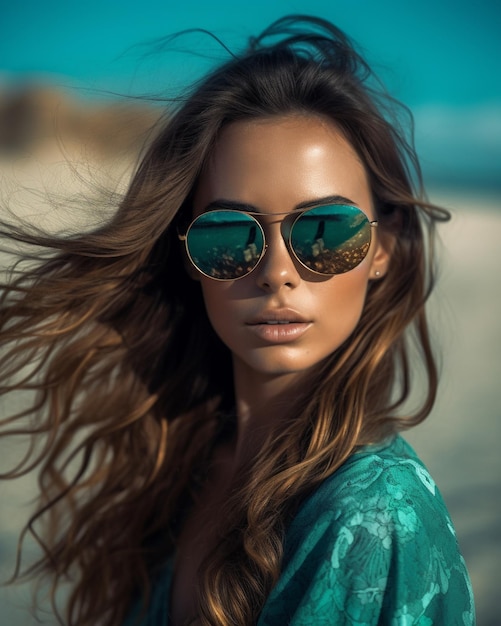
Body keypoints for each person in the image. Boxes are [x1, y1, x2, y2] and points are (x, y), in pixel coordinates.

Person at [0, 14, 475, 626]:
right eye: (228, 234)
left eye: (326, 231)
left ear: (383, 248)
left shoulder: (374, 514)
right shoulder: (186, 466)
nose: (278, 272)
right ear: (188, 257)